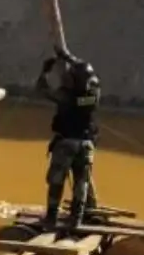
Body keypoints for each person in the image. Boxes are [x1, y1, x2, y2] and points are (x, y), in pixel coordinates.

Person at [34, 51, 101, 231]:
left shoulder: (66, 96)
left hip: (66, 144)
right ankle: (76, 219)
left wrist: (46, 70)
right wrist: (72, 59)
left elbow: (41, 89)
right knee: (81, 182)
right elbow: (90, 77)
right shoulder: (93, 96)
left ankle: (51, 218)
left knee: (57, 180)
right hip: (86, 144)